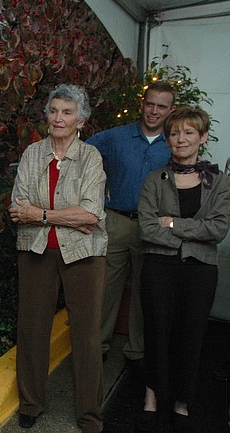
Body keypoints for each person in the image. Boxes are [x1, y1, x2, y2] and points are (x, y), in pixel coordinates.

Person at [9, 84, 107, 433]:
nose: (59, 118)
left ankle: (89, 414)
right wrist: (59, 215)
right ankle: (31, 404)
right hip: (36, 249)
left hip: (84, 254)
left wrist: (42, 214)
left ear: (81, 120)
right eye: (54, 111)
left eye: (67, 112)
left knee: (87, 334)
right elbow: (17, 207)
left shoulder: (91, 157)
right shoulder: (32, 154)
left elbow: (91, 215)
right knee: (32, 329)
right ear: (46, 115)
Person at [136, 107, 230, 433]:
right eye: (174, 133)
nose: (181, 139)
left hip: (200, 270)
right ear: (168, 140)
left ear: (202, 137)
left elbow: (216, 229)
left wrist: (174, 223)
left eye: (189, 132)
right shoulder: (154, 179)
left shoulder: (218, 182)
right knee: (157, 332)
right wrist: (190, 231)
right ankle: (152, 396)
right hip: (159, 267)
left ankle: (181, 401)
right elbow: (147, 228)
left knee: (191, 335)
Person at [87, 81, 176, 366]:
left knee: (144, 291)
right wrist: (96, 188)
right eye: (150, 103)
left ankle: (137, 351)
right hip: (116, 221)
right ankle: (97, 346)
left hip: (154, 227)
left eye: (161, 106)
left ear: (170, 110)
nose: (154, 111)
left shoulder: (175, 142)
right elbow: (81, 154)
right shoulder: (115, 137)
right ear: (142, 103)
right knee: (105, 288)